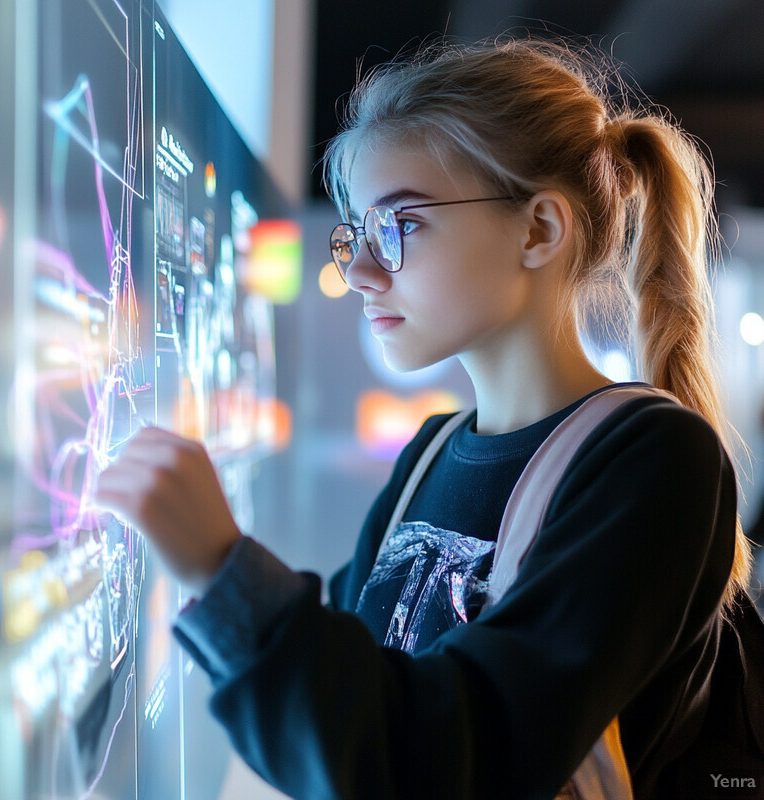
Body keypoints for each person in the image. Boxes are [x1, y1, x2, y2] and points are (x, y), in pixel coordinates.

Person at [96, 37, 753, 799]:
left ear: (539, 230)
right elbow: (349, 703)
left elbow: (458, 756)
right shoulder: (431, 453)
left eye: (398, 227)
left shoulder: (655, 459)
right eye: (359, 237)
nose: (363, 273)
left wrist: (223, 570)